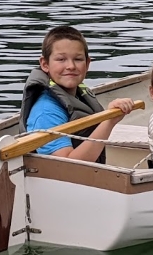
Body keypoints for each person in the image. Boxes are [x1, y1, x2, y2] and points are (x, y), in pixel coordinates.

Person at [20, 26, 135, 163]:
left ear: (87, 64)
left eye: (78, 59)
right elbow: (68, 166)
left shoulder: (77, 94)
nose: (71, 66)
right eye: (61, 59)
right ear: (45, 64)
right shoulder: (46, 112)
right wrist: (109, 121)